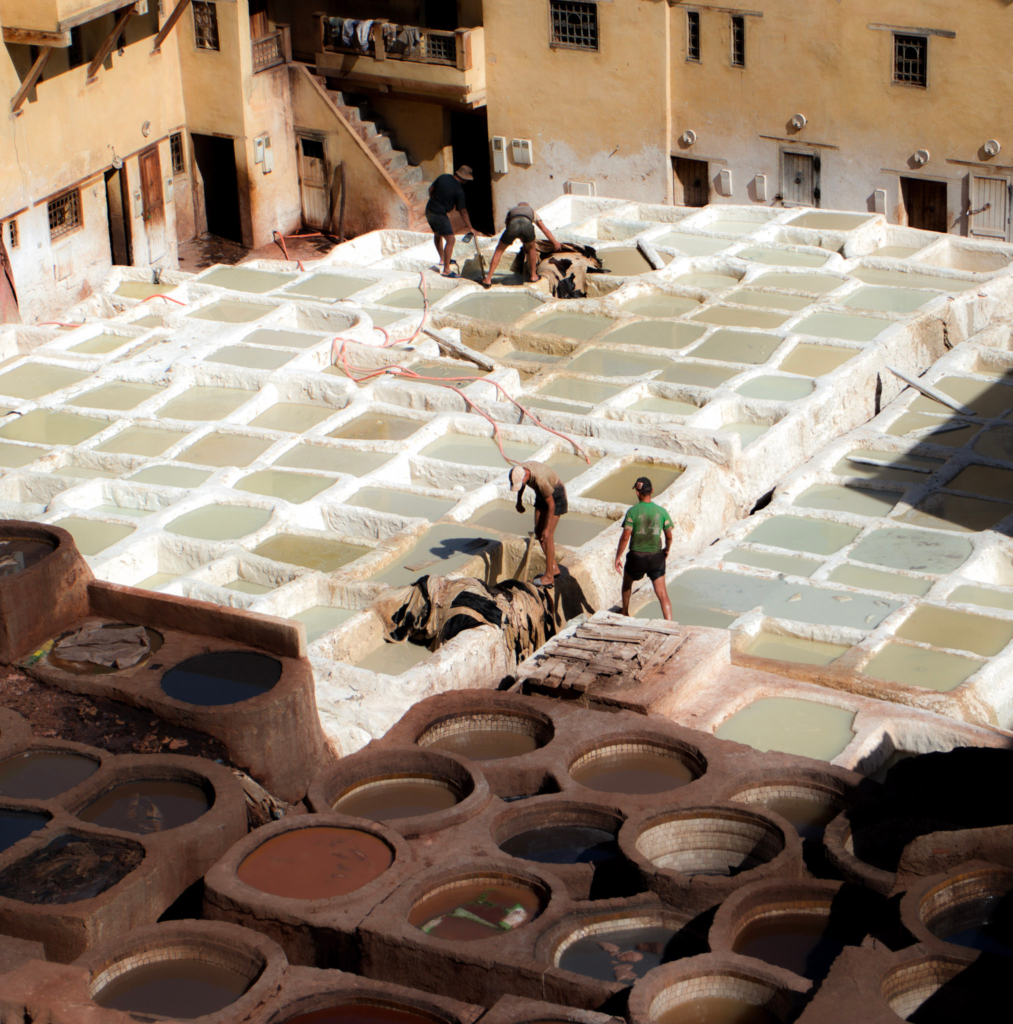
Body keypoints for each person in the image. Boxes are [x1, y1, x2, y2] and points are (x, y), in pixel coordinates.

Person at [615, 476, 673, 620]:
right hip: (656, 556)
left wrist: (618, 557)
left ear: (637, 492)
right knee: (662, 593)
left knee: (627, 584)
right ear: (652, 490)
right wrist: (666, 549)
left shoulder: (633, 511)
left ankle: (625, 612)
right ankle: (669, 623)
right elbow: (669, 535)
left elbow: (625, 537)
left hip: (637, 557)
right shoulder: (661, 512)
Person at [510, 461, 568, 588]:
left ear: (526, 477)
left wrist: (548, 528)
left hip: (555, 496)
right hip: (542, 495)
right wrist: (519, 501)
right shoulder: (521, 470)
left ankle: (549, 576)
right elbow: (522, 485)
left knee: (547, 535)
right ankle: (553, 567)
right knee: (538, 532)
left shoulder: (540, 480)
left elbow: (551, 504)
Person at [481, 201, 559, 286]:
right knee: (532, 249)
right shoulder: (531, 211)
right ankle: (533, 276)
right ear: (527, 206)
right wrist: (555, 243)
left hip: (512, 226)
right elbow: (544, 229)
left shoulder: (512, 211)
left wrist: (514, 237)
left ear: (518, 206)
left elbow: (508, 227)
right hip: (527, 227)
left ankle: (488, 279)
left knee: (499, 250)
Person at [425, 166, 481, 278]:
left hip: (429, 209)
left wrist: (435, 201)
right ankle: (446, 270)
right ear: (465, 179)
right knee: (451, 239)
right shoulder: (459, 191)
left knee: (437, 234)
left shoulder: (443, 177)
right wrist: (471, 227)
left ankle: (442, 259)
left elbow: (430, 189)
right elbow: (463, 212)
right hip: (439, 214)